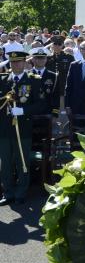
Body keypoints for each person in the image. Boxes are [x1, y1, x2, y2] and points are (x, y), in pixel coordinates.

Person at [0, 51, 45, 205]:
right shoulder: (3, 79)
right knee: (5, 162)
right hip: (5, 129)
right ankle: (8, 192)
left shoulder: (33, 80)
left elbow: (41, 104)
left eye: (18, 62)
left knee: (22, 161)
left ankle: (21, 192)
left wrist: (24, 110)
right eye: (12, 62)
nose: (15, 65)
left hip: (23, 128)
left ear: (25, 62)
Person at [28, 48, 60, 117]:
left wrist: (55, 113)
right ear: (32, 59)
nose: (41, 60)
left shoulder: (53, 76)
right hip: (30, 113)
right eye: (38, 58)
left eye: (43, 58)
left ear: (46, 59)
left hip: (48, 112)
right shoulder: (26, 75)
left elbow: (56, 96)